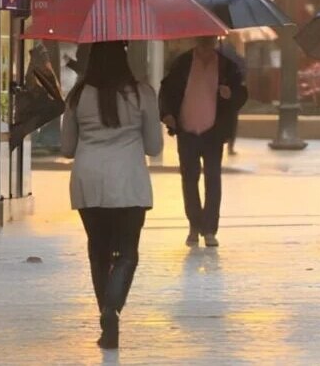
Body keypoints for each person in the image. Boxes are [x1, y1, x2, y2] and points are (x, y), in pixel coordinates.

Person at [60, 41, 163, 350]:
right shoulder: (142, 93)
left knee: (98, 251)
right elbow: (154, 147)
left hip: (89, 181)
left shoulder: (78, 95)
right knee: (128, 253)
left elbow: (67, 149)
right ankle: (112, 310)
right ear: (124, 57)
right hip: (129, 182)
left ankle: (106, 322)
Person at [159, 36, 248, 248]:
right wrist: (167, 114)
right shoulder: (182, 63)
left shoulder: (227, 67)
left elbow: (241, 95)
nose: (207, 44)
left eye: (210, 40)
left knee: (213, 180)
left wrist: (230, 95)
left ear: (216, 40)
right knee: (189, 180)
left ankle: (209, 229)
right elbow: (167, 90)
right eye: (203, 40)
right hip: (187, 130)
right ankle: (194, 225)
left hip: (213, 133)